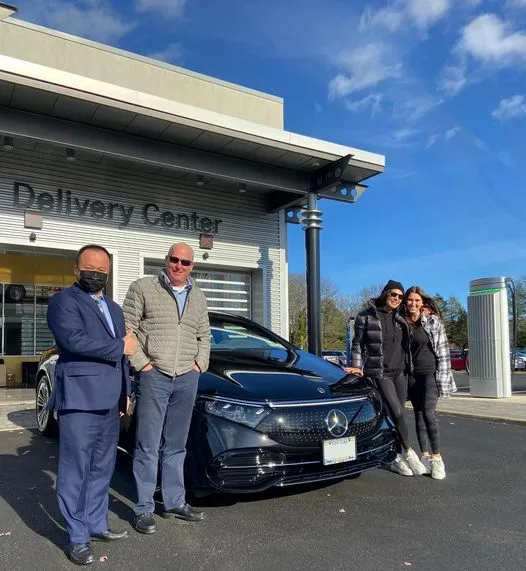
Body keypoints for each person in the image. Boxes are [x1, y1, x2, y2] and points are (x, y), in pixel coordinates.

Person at [47, 244, 137, 566]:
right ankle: (77, 536)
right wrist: (119, 346)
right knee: (75, 470)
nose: (96, 274)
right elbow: (73, 341)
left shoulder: (113, 307)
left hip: (111, 401)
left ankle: (96, 523)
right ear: (76, 269)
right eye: (90, 268)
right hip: (80, 398)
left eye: (102, 270)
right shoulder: (62, 302)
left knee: (102, 467)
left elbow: (124, 356)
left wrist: (126, 392)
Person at [123, 242, 211, 535]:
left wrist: (200, 364)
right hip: (154, 375)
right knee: (147, 445)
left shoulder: (198, 296)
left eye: (185, 262)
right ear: (166, 260)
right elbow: (126, 329)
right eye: (175, 259)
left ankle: (174, 502)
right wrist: (143, 365)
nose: (179, 266)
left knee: (176, 445)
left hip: (187, 376)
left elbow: (204, 334)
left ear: (192, 266)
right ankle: (144, 508)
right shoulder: (143, 288)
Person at [344, 280, 426, 477]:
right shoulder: (366, 316)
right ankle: (408, 451)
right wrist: (356, 366)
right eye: (393, 294)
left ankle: (394, 455)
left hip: (400, 373)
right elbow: (357, 344)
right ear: (385, 294)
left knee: (396, 415)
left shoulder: (400, 318)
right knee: (396, 413)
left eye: (400, 296)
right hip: (380, 372)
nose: (397, 298)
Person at [403, 286, 457, 480]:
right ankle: (424, 456)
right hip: (411, 374)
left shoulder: (432, 320)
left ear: (422, 303)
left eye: (417, 300)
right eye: (410, 300)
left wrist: (443, 376)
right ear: (405, 301)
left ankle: (437, 458)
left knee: (428, 414)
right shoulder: (402, 322)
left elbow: (443, 351)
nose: (413, 303)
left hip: (430, 373)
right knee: (418, 414)